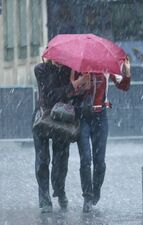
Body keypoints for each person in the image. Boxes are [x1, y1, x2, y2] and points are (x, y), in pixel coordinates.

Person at [72, 57, 131, 213]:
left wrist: (127, 71)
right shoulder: (78, 67)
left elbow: (124, 86)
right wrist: (80, 82)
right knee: (85, 159)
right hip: (83, 117)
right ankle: (87, 197)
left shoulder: (106, 66)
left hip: (100, 117)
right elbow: (70, 89)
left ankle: (96, 190)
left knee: (100, 163)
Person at [32, 59, 90, 213]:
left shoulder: (70, 70)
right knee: (42, 159)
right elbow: (51, 95)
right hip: (43, 118)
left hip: (62, 119)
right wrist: (74, 85)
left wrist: (82, 88)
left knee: (61, 161)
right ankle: (44, 198)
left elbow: (73, 97)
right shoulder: (40, 69)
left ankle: (59, 191)